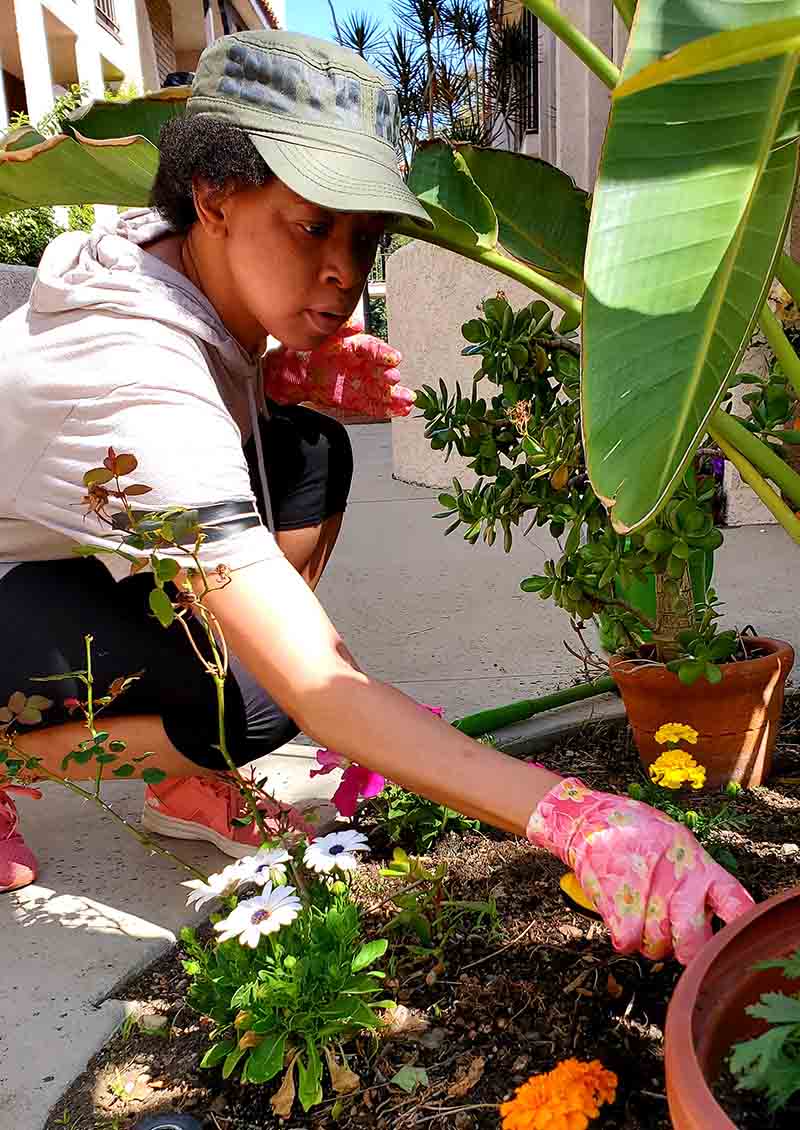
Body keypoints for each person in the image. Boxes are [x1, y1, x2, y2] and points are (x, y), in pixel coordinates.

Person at [0, 30, 753, 964]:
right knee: (261, 698)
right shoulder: (132, 378)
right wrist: (580, 819)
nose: (344, 272)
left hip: (38, 563)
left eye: (364, 238)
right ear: (214, 196)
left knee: (308, 451)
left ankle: (181, 767)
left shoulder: (170, 261)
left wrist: (275, 377)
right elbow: (322, 687)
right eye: (313, 226)